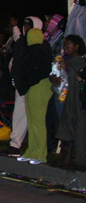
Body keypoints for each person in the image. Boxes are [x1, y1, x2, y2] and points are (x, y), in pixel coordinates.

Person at [2, 16, 43, 156]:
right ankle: (16, 145)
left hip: (32, 86)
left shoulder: (38, 45)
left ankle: (34, 147)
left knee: (31, 117)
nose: (26, 29)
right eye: (25, 26)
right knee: (20, 114)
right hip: (21, 85)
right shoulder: (23, 42)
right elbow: (17, 37)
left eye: (29, 26)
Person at [14, 27, 53, 164]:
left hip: (39, 87)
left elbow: (36, 71)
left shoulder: (38, 51)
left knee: (38, 122)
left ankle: (40, 154)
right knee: (31, 121)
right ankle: (32, 150)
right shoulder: (38, 50)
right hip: (33, 87)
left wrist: (25, 82)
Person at [55, 35, 86, 167]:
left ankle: (78, 160)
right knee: (66, 127)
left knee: (80, 130)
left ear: (77, 47)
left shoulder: (80, 62)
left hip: (78, 101)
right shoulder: (65, 61)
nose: (66, 48)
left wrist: (66, 68)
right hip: (65, 99)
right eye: (65, 45)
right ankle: (66, 159)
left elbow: (76, 78)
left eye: (69, 45)